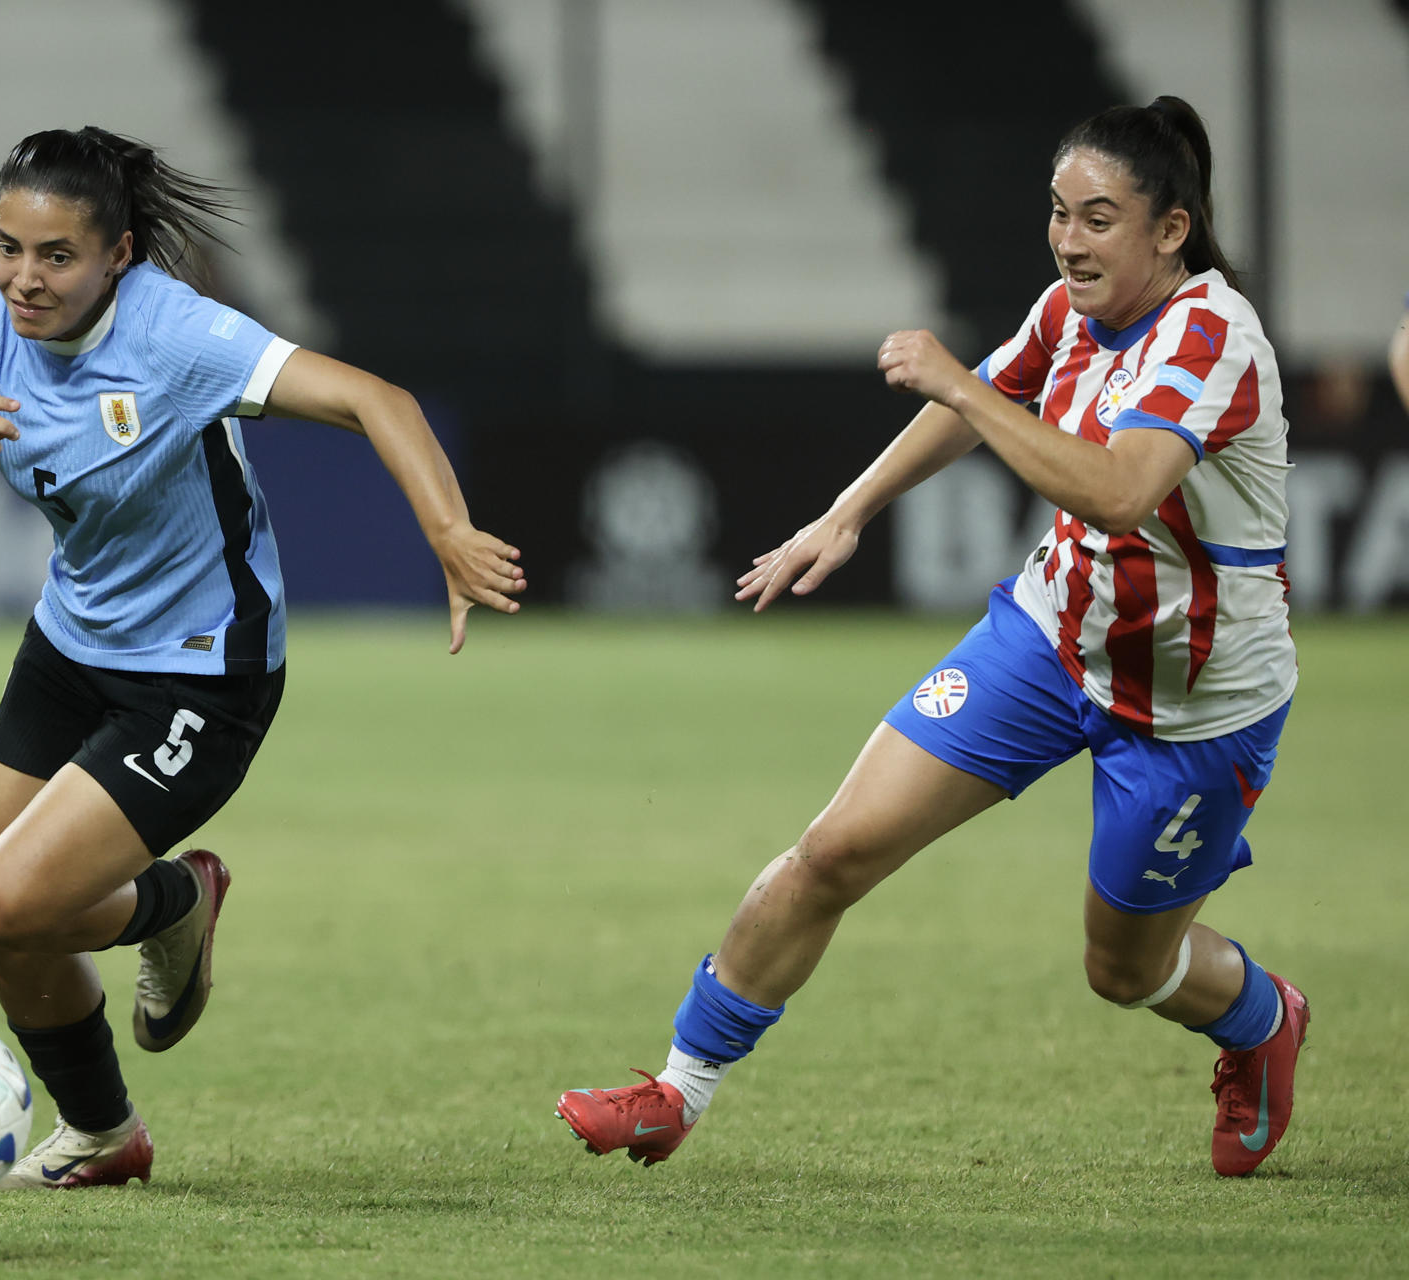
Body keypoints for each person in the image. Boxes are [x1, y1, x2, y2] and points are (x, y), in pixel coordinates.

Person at [557, 96, 1307, 1178]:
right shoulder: (1068, 314)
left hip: (1200, 707)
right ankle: (677, 1088)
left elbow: (1121, 493)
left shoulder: (1213, 336)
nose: (1068, 240)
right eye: (1059, 214)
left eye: (1098, 218)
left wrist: (957, 376)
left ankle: (1260, 1017)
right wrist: (846, 512)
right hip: (1051, 641)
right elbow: (980, 402)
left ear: (1171, 229)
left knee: (1124, 968)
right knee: (835, 848)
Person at [0, 126, 525, 1189]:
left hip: (199, 671)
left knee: (7, 902)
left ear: (117, 257)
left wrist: (449, 535)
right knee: (10, 922)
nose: (24, 279)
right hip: (70, 638)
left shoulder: (179, 336)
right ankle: (103, 1134)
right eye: (8, 247)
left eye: (55, 257)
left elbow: (380, 400)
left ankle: (175, 902)